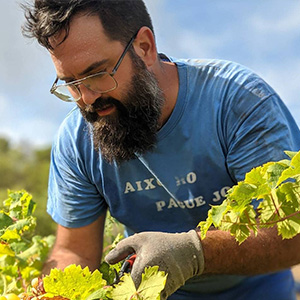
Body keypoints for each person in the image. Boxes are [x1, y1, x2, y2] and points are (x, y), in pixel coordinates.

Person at [21, 1, 300, 299]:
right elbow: (74, 250)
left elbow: (293, 235)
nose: (87, 98)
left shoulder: (237, 102)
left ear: (144, 46)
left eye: (98, 74)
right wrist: (51, 292)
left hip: (257, 289)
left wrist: (194, 253)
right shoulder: (76, 141)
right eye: (71, 84)